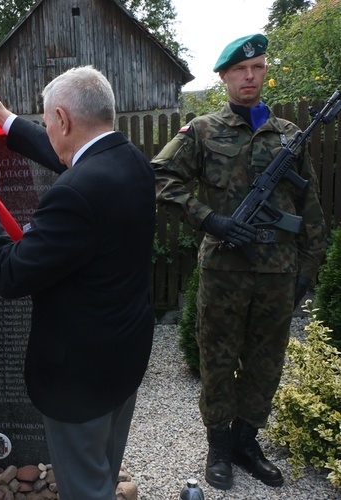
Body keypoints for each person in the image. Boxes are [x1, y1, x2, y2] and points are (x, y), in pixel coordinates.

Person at [0, 67, 156, 499]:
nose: (47, 130)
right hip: (122, 358)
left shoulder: (75, 193)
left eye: (48, 121)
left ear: (64, 120)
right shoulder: (131, 160)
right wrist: (8, 119)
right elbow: (72, 160)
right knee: (103, 468)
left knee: (84, 488)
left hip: (79, 379)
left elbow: (12, 274)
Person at [151, 33, 328, 490]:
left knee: (266, 362)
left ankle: (247, 443)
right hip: (224, 270)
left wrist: (307, 272)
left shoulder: (290, 135)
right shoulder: (204, 130)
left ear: (265, 71)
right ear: (226, 76)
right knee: (217, 361)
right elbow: (161, 178)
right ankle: (218, 448)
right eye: (240, 70)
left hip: (278, 271)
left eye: (258, 68)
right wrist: (213, 221)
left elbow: (309, 207)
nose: (249, 76)